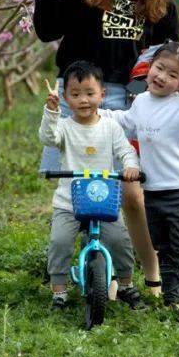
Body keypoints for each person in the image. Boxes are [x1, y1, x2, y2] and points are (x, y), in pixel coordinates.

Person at [33, 0, 179, 297]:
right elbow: (47, 30)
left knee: (131, 190)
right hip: (79, 96)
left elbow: (171, 49)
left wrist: (173, 94)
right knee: (77, 186)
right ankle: (92, 269)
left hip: (131, 100)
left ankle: (150, 274)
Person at [104, 41, 179, 325]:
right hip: (152, 190)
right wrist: (97, 112)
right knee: (162, 247)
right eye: (159, 68)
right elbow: (126, 122)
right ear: (149, 67)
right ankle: (171, 298)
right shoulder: (141, 102)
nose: (162, 77)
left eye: (172, 74)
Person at [39, 60, 148, 311]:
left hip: (104, 199)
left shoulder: (110, 127)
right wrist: (52, 113)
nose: (83, 100)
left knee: (120, 240)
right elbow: (48, 138)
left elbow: (126, 152)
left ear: (102, 94)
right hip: (70, 201)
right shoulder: (64, 127)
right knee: (59, 240)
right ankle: (59, 290)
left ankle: (126, 284)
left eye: (90, 93)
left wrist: (131, 167)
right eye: (75, 95)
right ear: (66, 97)